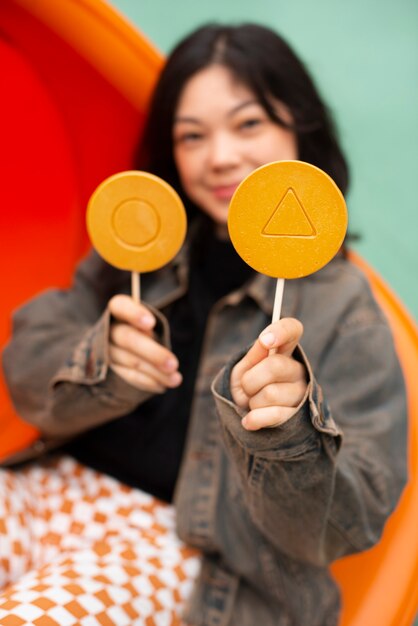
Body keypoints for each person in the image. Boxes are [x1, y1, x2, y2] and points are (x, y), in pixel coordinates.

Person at [1, 22, 407, 626]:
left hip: (185, 552)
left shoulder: (344, 307)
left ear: (299, 128)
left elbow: (342, 525)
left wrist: (288, 432)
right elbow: (24, 370)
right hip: (45, 490)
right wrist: (100, 359)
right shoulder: (141, 247)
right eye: (193, 136)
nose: (220, 157)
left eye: (248, 124)